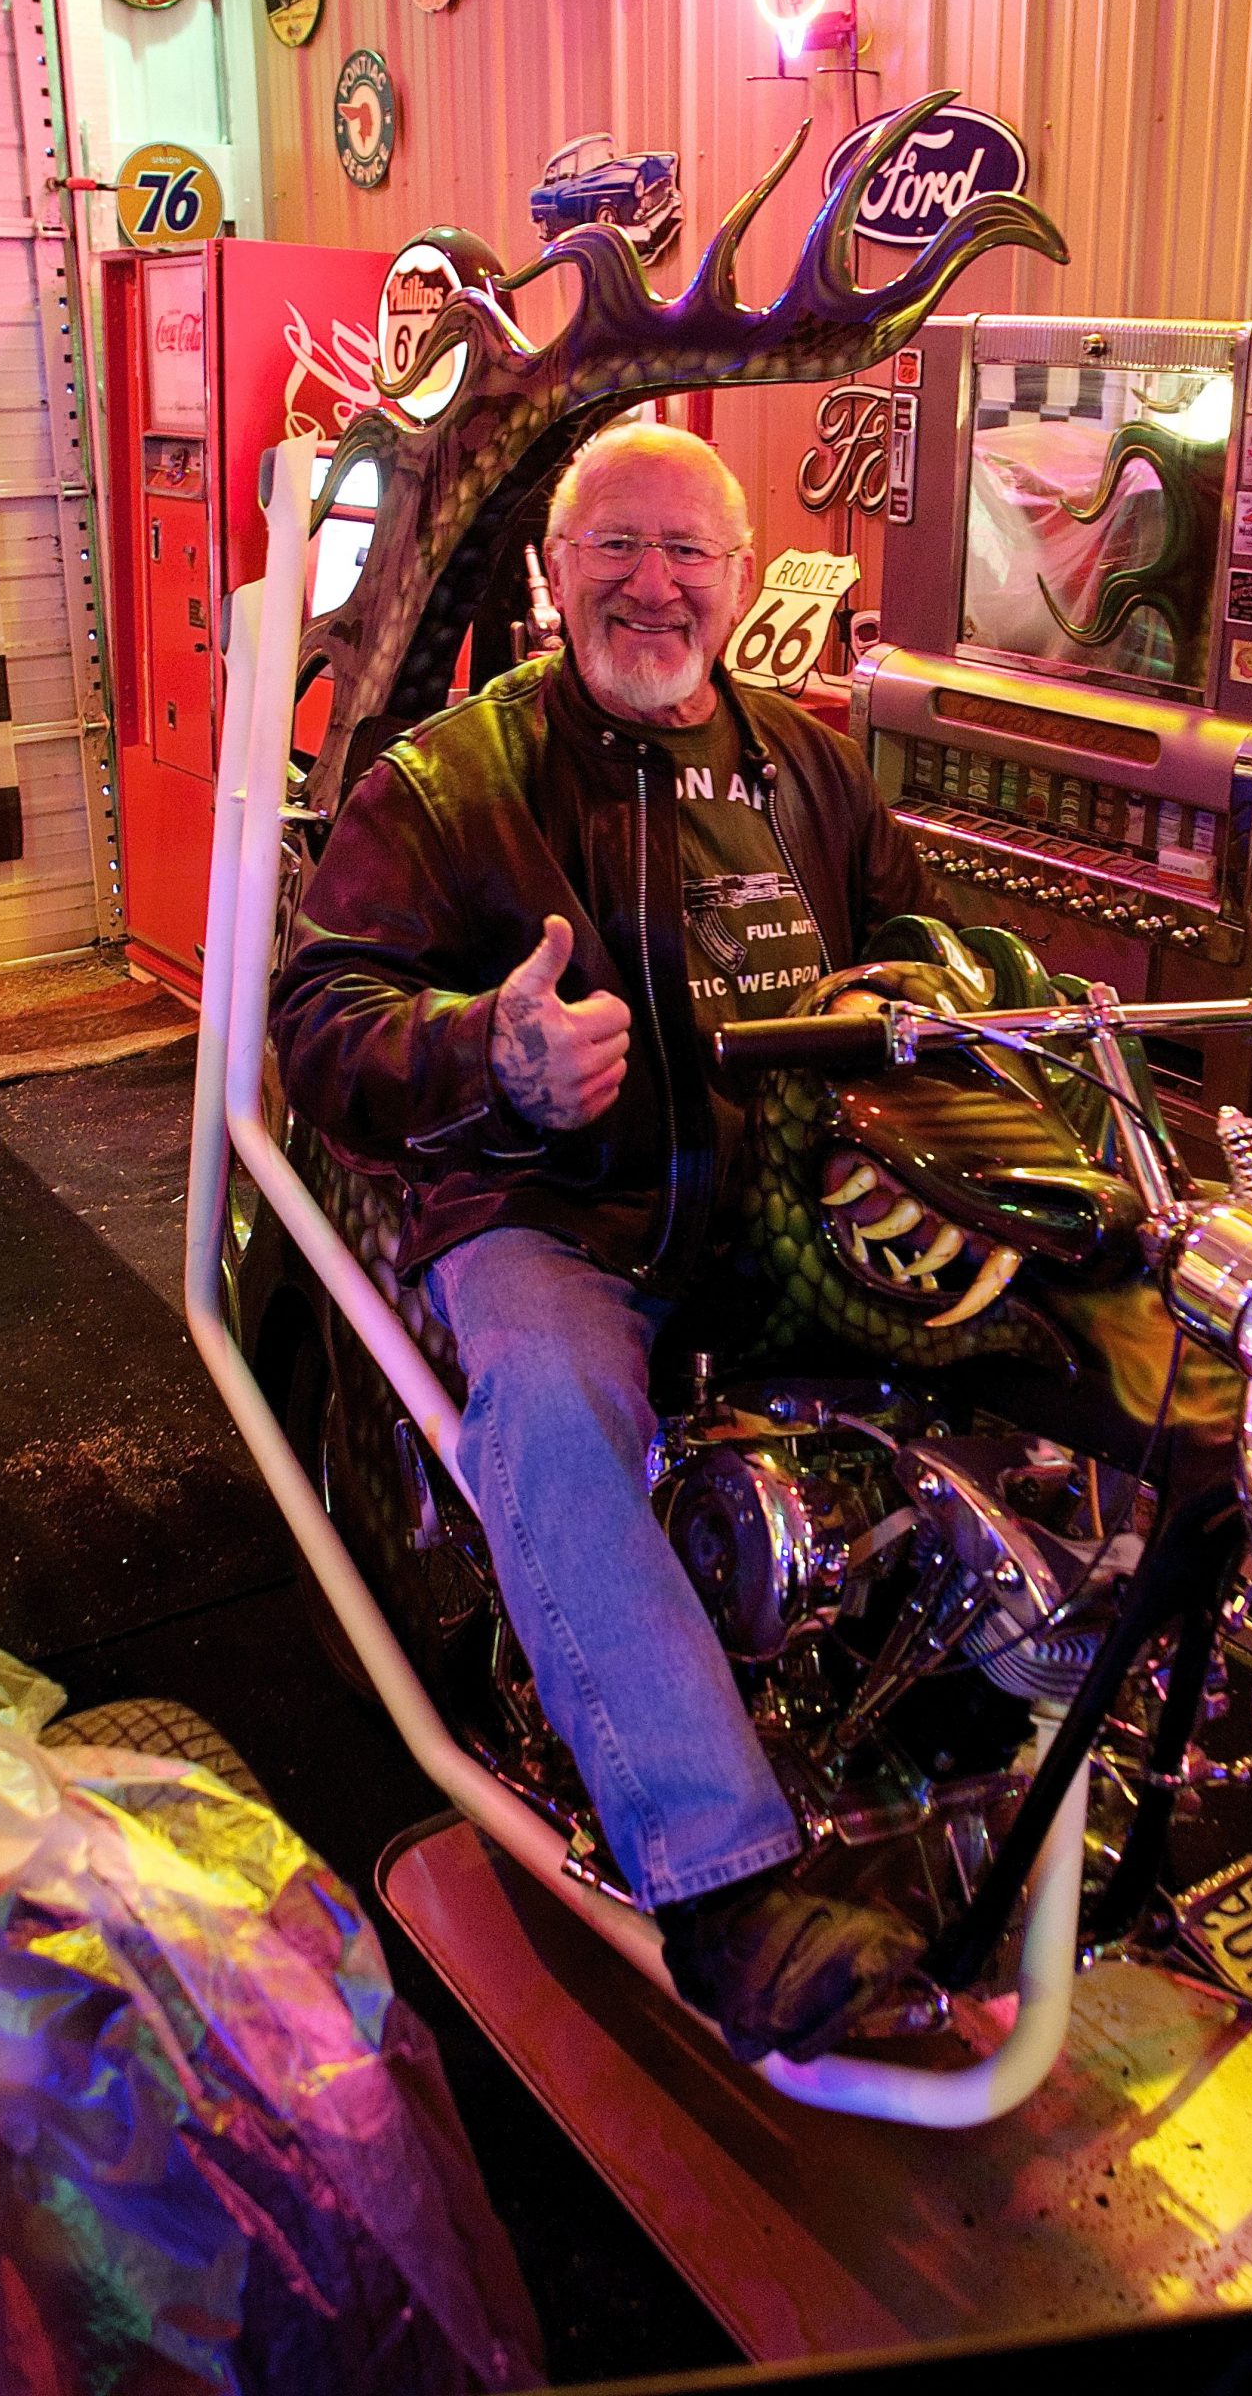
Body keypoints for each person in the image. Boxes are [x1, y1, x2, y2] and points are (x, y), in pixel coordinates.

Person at [271, 423, 942, 2063]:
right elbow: (316, 1014)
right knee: (560, 1415)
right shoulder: (449, 779)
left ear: (737, 577)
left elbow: (924, 927)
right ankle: (720, 1884)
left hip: (784, 1210)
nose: (653, 584)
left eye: (689, 553)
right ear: (551, 572)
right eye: (616, 548)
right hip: (548, 1215)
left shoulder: (810, 766)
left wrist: (928, 989)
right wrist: (481, 1055)